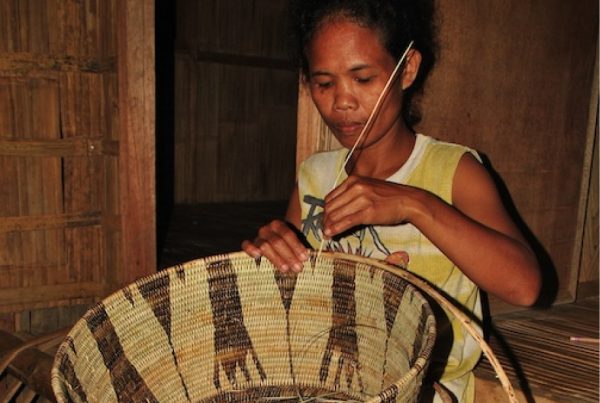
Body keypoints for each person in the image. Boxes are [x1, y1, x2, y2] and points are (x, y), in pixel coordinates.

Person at [242, 0, 542, 401]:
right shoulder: (315, 175)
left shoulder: (453, 171)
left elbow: (525, 287)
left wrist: (413, 204)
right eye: (324, 83)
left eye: (363, 78)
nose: (342, 101)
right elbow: (291, 304)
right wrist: (272, 253)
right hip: (330, 383)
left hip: (425, 388)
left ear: (408, 69)